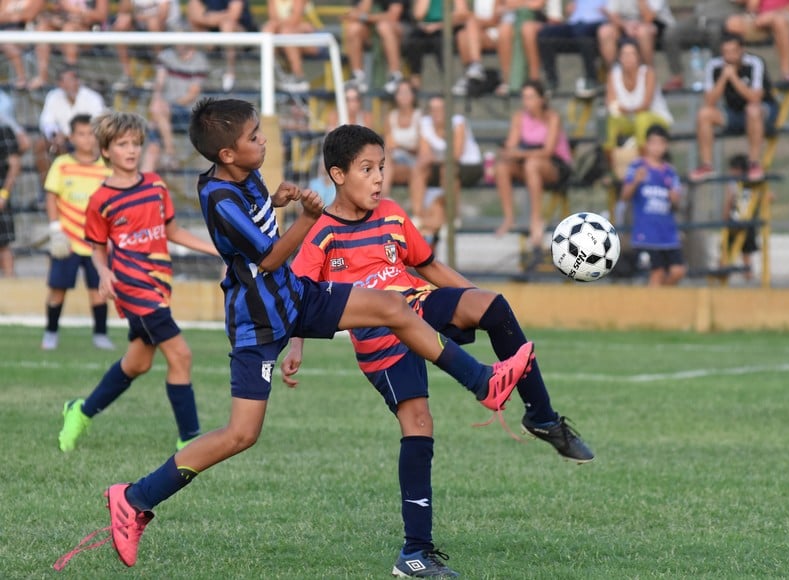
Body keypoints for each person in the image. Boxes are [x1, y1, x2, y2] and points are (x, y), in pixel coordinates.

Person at [53, 98, 535, 571]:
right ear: (227, 154)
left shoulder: (242, 175)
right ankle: (133, 498)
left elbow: (263, 230)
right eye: (255, 137)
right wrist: (307, 217)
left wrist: (277, 201)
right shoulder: (218, 198)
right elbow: (267, 258)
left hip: (295, 297)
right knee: (241, 434)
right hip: (260, 322)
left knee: (391, 306)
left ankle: (483, 382)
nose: (263, 141)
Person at [284, 122, 594, 578]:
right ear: (336, 175)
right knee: (420, 425)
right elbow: (301, 297)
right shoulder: (320, 233)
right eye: (366, 169)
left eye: (382, 168)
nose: (378, 178)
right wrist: (296, 346)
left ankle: (543, 417)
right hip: (378, 338)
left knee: (494, 305)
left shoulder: (391, 214)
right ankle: (415, 553)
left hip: (420, 305)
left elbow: (427, 264)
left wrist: (477, 300)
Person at [57, 111, 219, 454]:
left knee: (138, 362)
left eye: (135, 144)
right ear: (106, 150)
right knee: (181, 355)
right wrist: (103, 272)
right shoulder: (101, 199)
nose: (130, 150)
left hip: (159, 284)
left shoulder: (156, 185)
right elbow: (97, 249)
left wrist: (215, 249)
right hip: (133, 288)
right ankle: (190, 439)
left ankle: (81, 411)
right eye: (122, 144)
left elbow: (172, 231)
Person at [41, 114, 114, 351]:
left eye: (91, 133)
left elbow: (112, 204)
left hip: (97, 243)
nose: (87, 139)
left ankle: (100, 335)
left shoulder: (106, 168)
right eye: (81, 134)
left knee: (98, 291)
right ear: (71, 137)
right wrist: (55, 230)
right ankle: (51, 333)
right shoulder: (62, 164)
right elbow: (51, 196)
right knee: (58, 290)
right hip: (68, 240)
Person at [493, 80, 572, 266]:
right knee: (502, 167)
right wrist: (508, 151)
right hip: (529, 160)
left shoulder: (553, 117)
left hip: (554, 165)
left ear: (541, 99)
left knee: (532, 164)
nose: (526, 101)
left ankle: (536, 220)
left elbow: (548, 150)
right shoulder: (519, 117)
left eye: (530, 97)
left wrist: (520, 153)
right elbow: (511, 143)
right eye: (524, 97)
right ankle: (509, 217)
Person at [688, 33, 779, 183]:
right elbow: (709, 101)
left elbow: (755, 98)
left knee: (753, 110)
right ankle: (706, 165)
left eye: (733, 51)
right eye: (725, 52)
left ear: (742, 50)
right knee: (704, 114)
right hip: (734, 113)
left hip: (762, 111)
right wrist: (724, 78)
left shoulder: (755, 63)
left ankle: (754, 163)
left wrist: (734, 79)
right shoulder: (714, 66)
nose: (729, 56)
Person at [407, 94, 482, 244]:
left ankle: (449, 217)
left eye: (440, 109)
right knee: (419, 169)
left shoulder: (458, 123)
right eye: (433, 109)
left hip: (467, 166)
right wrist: (431, 158)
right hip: (442, 167)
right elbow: (424, 156)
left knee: (447, 171)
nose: (437, 113)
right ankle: (418, 215)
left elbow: (456, 154)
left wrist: (432, 157)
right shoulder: (426, 123)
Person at [620, 124, 685, 286]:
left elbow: (677, 204)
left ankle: (661, 305)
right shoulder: (637, 167)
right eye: (653, 142)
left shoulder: (670, 171)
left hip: (668, 234)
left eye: (660, 143)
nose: (656, 147)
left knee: (678, 271)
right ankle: (654, 308)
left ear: (665, 146)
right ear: (647, 144)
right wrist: (635, 181)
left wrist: (674, 199)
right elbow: (624, 196)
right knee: (657, 273)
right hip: (647, 234)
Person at [140, 41, 210, 172]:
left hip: (189, 112)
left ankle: (170, 152)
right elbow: (159, 85)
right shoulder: (166, 56)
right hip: (163, 114)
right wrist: (156, 103)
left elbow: (192, 95)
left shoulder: (199, 60)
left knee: (157, 113)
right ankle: (144, 188)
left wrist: (167, 106)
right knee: (152, 149)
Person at [35, 66, 106, 190]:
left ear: (78, 81)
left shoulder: (92, 98)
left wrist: (69, 136)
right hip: (62, 143)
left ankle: (95, 186)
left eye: (73, 79)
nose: (71, 83)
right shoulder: (53, 96)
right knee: (40, 145)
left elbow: (99, 125)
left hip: (89, 140)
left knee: (99, 144)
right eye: (66, 80)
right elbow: (46, 122)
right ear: (59, 84)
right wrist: (55, 135)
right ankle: (49, 189)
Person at [604, 39, 673, 159]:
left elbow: (645, 105)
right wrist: (622, 110)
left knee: (642, 119)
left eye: (632, 54)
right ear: (619, 57)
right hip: (628, 119)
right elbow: (611, 104)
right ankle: (609, 166)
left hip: (654, 117)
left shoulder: (648, 73)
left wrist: (623, 110)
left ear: (639, 57)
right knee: (608, 122)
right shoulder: (614, 74)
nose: (628, 58)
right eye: (624, 54)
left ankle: (643, 164)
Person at [405, 0, 487, 93]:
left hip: (447, 27)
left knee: (442, 43)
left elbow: (462, 13)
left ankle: (447, 83)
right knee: (413, 42)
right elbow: (419, 15)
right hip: (427, 28)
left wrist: (439, 25)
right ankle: (415, 80)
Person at [28, 0, 110, 90]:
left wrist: (76, 11)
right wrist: (55, 18)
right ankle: (42, 76)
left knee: (69, 29)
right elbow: (50, 11)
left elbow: (101, 16)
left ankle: (71, 75)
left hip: (89, 33)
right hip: (65, 27)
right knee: (43, 28)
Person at [660, 0, 740, 91]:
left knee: (714, 31)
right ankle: (676, 75)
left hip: (722, 18)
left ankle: (717, 73)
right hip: (698, 18)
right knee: (671, 32)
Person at [534, 0, 607, 97]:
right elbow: (570, 10)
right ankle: (551, 80)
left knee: (583, 35)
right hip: (574, 24)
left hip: (596, 24)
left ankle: (591, 79)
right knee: (545, 34)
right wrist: (568, 11)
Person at [187, 0, 259, 92]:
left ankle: (230, 74)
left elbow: (233, 15)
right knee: (195, 24)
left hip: (242, 33)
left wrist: (209, 18)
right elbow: (194, 16)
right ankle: (193, 71)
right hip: (214, 30)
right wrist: (212, 19)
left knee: (227, 25)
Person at [725, 0, 789, 81]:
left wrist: (772, 15)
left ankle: (786, 72)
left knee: (779, 20)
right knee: (732, 23)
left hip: (788, 16)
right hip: (760, 19)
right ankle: (731, 72)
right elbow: (751, 7)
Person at [111, 0, 183, 90]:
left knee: (153, 23)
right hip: (141, 25)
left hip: (167, 28)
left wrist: (141, 17)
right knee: (121, 23)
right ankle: (128, 75)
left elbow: (162, 17)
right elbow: (122, 12)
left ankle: (159, 72)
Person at [343, 0, 411, 94]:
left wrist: (365, 17)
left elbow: (393, 16)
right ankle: (357, 76)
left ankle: (395, 75)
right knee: (353, 28)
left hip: (400, 29)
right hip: (371, 30)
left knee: (384, 27)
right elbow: (358, 14)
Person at [261, 0, 319, 93]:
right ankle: (271, 75)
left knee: (286, 32)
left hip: (310, 39)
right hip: (283, 36)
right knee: (268, 29)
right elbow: (273, 19)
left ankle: (299, 77)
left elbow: (295, 19)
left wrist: (278, 27)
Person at [0, 93, 29, 277]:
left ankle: (10, 285)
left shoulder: (4, 129)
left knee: (4, 244)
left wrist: (3, 195)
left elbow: (15, 165)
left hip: (0, 196)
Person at [599, 0, 675, 68]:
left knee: (643, 31)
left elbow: (648, 17)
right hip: (626, 24)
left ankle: (648, 72)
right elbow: (613, 15)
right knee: (605, 31)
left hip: (657, 23)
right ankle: (613, 74)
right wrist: (625, 26)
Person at [721, 153, 760, 280]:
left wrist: (725, 218)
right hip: (747, 222)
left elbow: (729, 201)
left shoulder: (734, 184)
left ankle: (728, 274)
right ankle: (746, 275)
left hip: (737, 221)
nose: (730, 172)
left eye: (732, 169)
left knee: (731, 250)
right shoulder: (753, 183)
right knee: (744, 253)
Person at [382, 79, 421, 198]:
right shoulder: (390, 117)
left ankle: (383, 197)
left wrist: (400, 146)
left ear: (413, 95)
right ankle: (385, 196)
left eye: (407, 92)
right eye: (401, 92)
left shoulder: (419, 116)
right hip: (394, 162)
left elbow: (421, 148)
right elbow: (388, 144)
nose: (404, 96)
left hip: (414, 162)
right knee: (386, 158)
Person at [0, 0, 44, 90]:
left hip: (26, 34)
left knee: (6, 42)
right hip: (5, 31)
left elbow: (29, 16)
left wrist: (10, 16)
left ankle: (22, 77)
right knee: (5, 40)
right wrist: (16, 16)